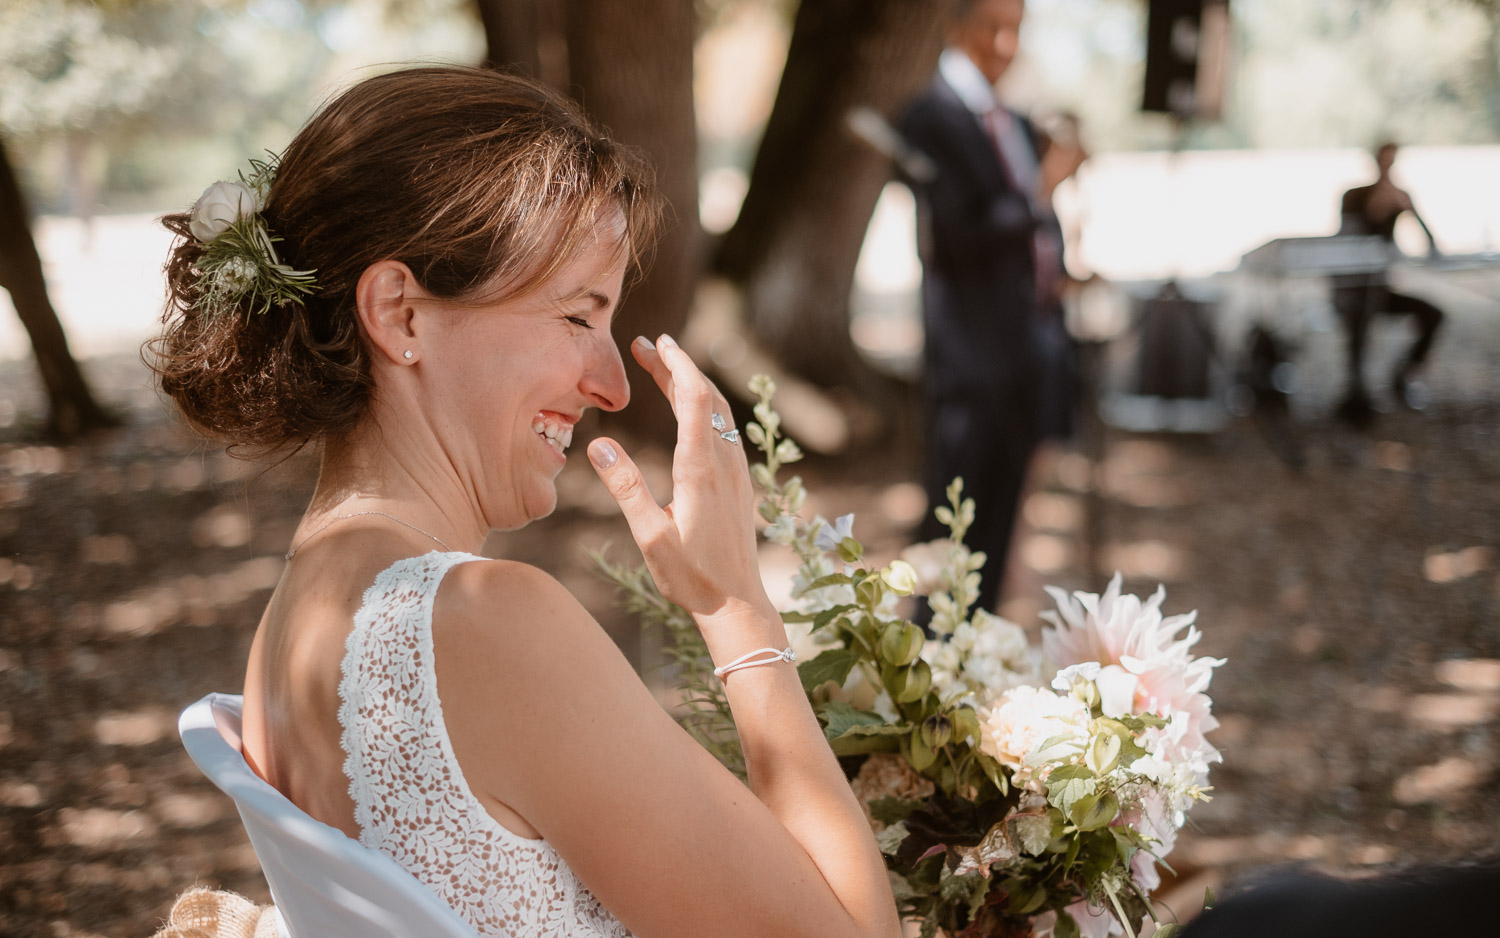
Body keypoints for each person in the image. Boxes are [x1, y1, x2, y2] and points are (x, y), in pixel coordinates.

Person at [153, 66, 900, 938]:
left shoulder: (298, 614)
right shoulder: (486, 626)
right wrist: (736, 608)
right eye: (578, 317)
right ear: (399, 313)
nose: (615, 385)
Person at [899, 0, 1082, 615]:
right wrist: (1041, 189)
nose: (1006, 44)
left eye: (1017, 29)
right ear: (955, 26)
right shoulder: (928, 119)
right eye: (993, 28)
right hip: (969, 360)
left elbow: (1033, 228)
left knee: (1002, 519)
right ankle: (921, 664)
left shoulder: (1020, 124)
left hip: (1027, 352)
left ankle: (980, 651)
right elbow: (958, 232)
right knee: (950, 523)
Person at [1332, 141, 1444, 426]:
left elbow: (1429, 240)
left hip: (1380, 287)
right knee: (1359, 328)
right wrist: (1373, 212)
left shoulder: (1399, 195)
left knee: (1433, 314)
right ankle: (1356, 396)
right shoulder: (1354, 196)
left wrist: (1406, 209)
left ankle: (1404, 373)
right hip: (1353, 290)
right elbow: (1346, 239)